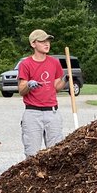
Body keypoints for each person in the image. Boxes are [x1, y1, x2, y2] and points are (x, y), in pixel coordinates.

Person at [18, 28, 65, 157]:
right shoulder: (25, 64)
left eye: (48, 41)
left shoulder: (54, 62)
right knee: (32, 155)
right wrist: (28, 85)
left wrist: (66, 80)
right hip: (33, 113)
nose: (47, 44)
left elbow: (56, 86)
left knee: (56, 153)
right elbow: (21, 90)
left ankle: (54, 177)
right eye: (42, 41)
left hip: (52, 112)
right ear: (33, 44)